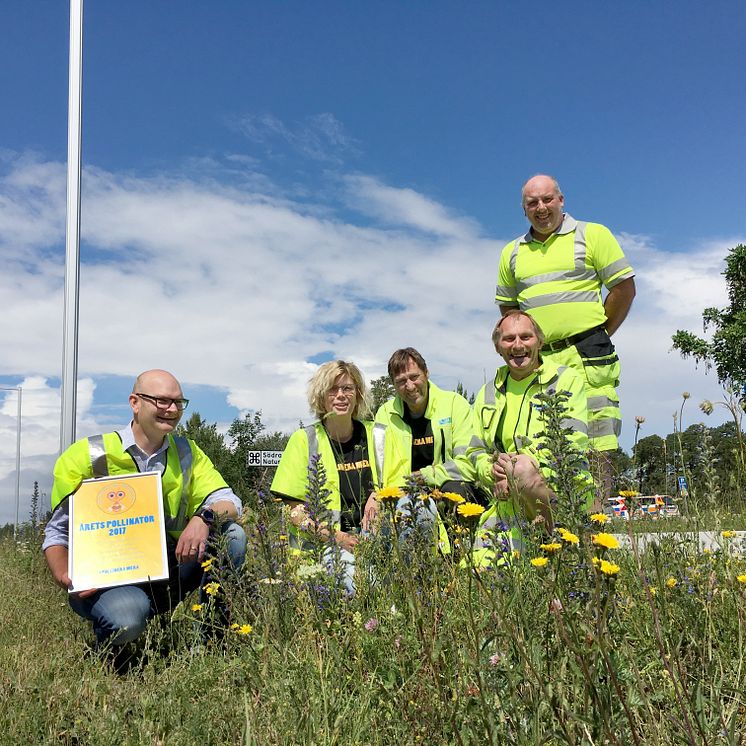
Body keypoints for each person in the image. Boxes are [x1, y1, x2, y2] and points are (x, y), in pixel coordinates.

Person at [43, 369, 247, 662]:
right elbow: (57, 533)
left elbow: (229, 501)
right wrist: (65, 576)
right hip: (111, 581)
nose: (173, 410)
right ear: (135, 403)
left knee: (232, 536)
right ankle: (113, 650)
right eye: (162, 400)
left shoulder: (188, 452)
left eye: (179, 402)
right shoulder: (88, 455)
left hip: (172, 569)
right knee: (126, 619)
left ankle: (212, 644)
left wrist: (204, 517)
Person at [495, 174, 635, 464]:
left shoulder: (592, 235)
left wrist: (599, 332)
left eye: (547, 199)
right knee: (548, 441)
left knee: (597, 438)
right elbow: (510, 312)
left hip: (588, 356)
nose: (541, 208)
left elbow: (624, 289)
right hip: (541, 360)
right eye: (532, 203)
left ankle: (594, 511)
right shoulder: (511, 253)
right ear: (524, 210)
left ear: (561, 200)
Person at [270, 360, 430, 595]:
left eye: (348, 388)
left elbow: (402, 485)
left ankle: (415, 587)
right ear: (320, 396)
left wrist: (378, 496)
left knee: (424, 506)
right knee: (366, 585)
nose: (341, 395)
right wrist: (336, 537)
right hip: (324, 544)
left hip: (376, 536)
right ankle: (385, 594)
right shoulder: (304, 440)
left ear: (358, 395)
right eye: (332, 389)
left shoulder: (379, 435)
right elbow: (294, 511)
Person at [467, 312, 593, 561]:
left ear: (540, 341)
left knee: (522, 467)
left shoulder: (566, 380)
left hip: (560, 494)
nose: (517, 346)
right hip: (506, 498)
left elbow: (570, 445)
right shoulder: (487, 392)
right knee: (482, 574)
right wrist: (494, 472)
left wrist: (514, 471)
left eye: (526, 337)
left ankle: (566, 551)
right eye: (508, 339)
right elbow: (474, 451)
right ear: (497, 347)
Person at [375, 347, 478, 501]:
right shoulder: (384, 414)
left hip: (445, 490)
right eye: (401, 381)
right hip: (403, 494)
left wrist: (424, 476)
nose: (409, 386)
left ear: (427, 373)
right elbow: (380, 469)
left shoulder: (455, 405)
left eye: (414, 377)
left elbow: (468, 465)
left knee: (456, 490)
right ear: (394, 385)